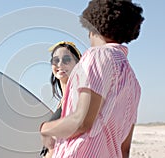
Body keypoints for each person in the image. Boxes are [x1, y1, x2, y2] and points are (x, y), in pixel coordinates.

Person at [39, 0, 144, 157]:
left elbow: (81, 122)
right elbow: (124, 149)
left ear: (93, 27)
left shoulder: (97, 56)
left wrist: (46, 129)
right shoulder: (132, 80)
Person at [40, 41, 81, 158]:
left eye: (67, 59)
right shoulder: (63, 100)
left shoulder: (77, 97)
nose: (60, 64)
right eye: (56, 60)